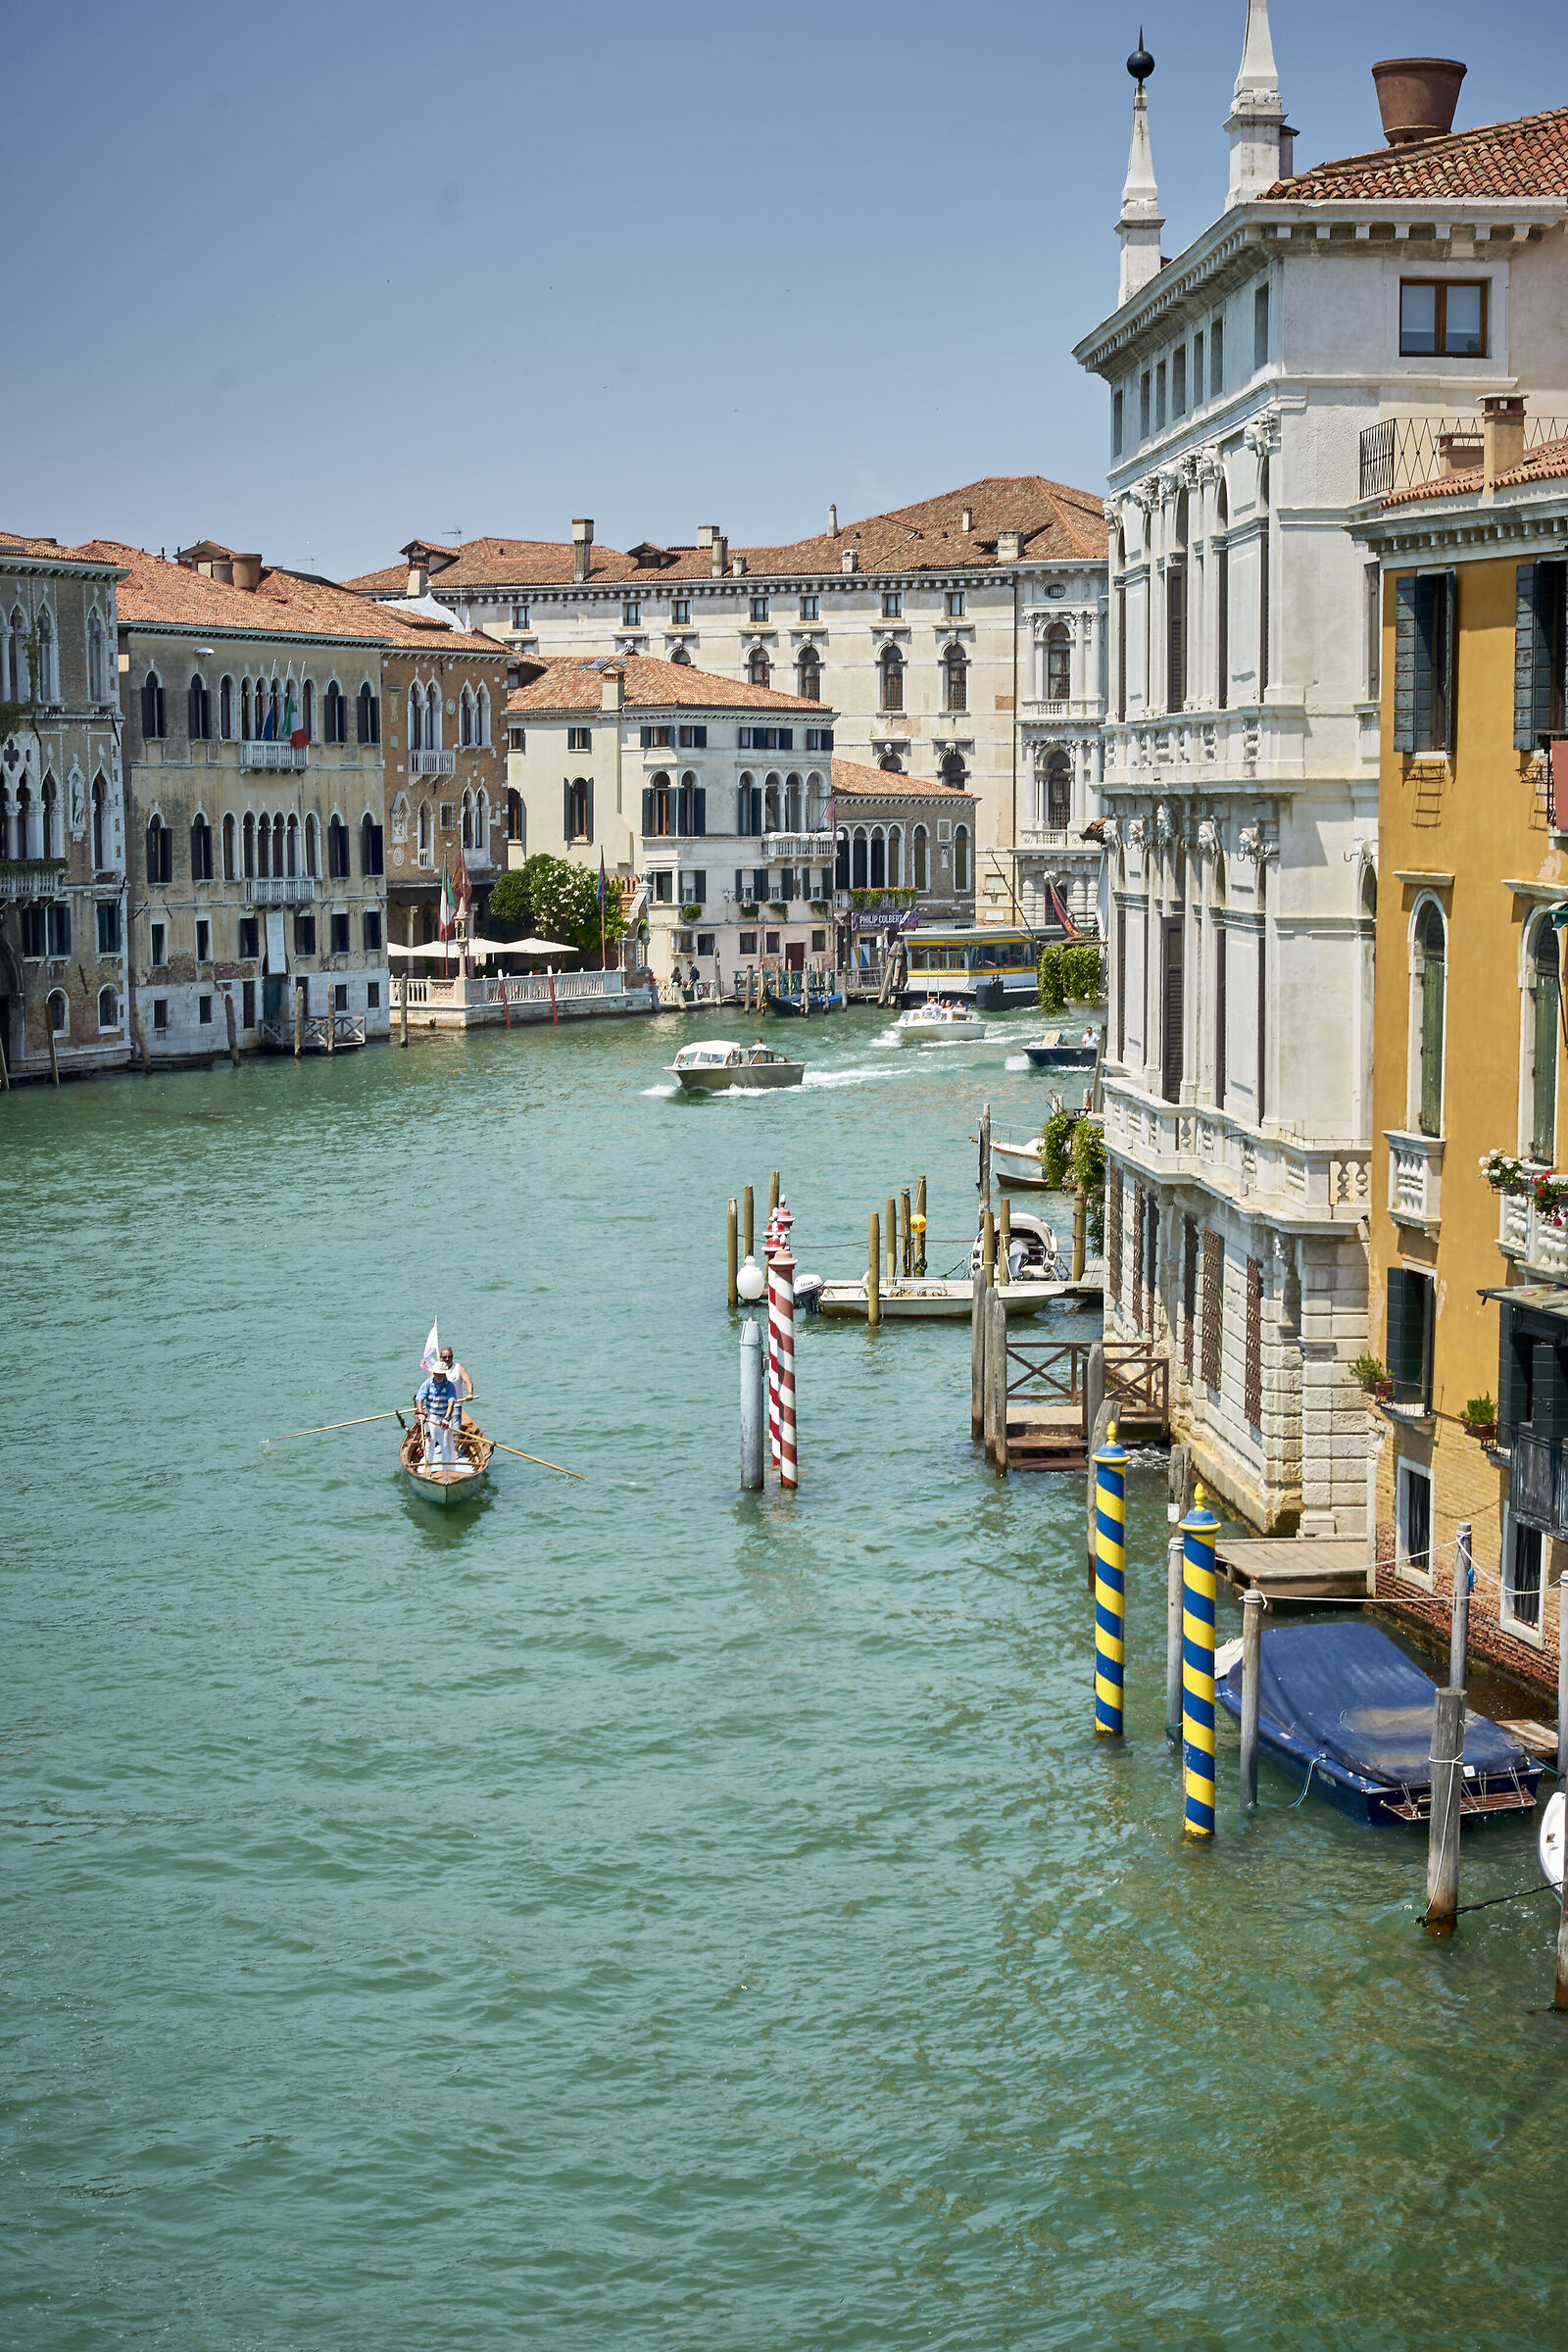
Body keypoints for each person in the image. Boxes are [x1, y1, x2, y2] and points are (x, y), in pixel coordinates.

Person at [416, 1358, 461, 1469]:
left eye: (442, 1374)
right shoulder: (427, 1383)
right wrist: (421, 1413)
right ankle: (427, 1469)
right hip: (430, 1417)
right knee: (429, 1444)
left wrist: (447, 1418)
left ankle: (448, 1470)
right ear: (434, 1373)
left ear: (445, 1374)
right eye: (437, 1373)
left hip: (443, 1418)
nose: (439, 1376)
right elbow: (420, 1400)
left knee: (446, 1445)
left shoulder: (450, 1386)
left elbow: (451, 1403)